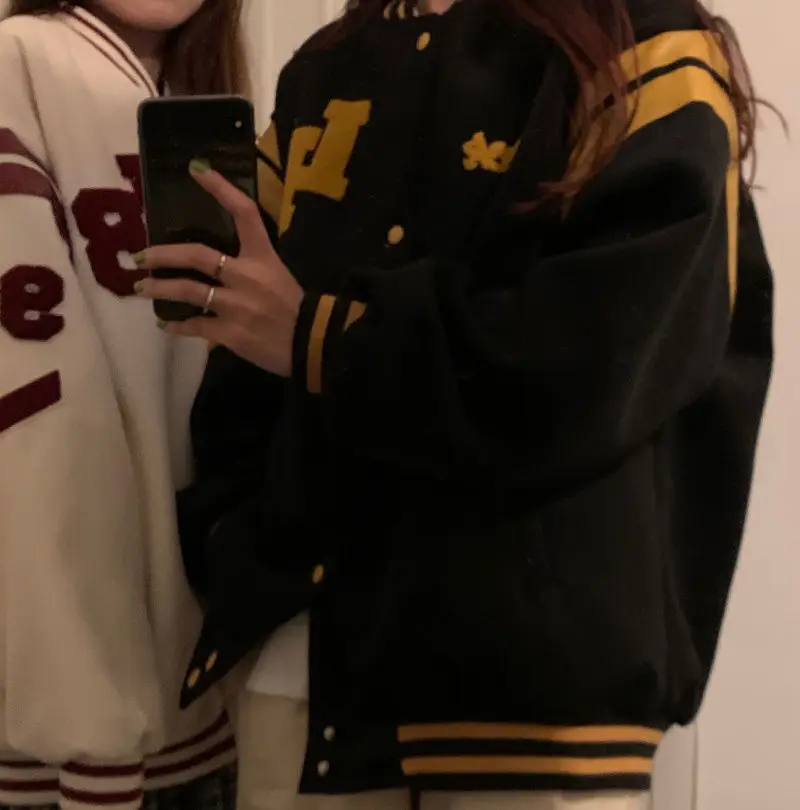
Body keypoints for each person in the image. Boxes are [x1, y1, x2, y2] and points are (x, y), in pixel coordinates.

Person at [136, 0, 774, 808]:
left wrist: (322, 337)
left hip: (526, 697)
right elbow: (240, 364)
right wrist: (235, 553)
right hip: (306, 680)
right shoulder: (326, 69)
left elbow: (609, 351)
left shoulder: (643, 41)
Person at [0, 1, 247, 808]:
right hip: (82, 736)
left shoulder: (201, 98)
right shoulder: (19, 61)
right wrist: (92, 721)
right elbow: (36, 414)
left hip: (206, 688)